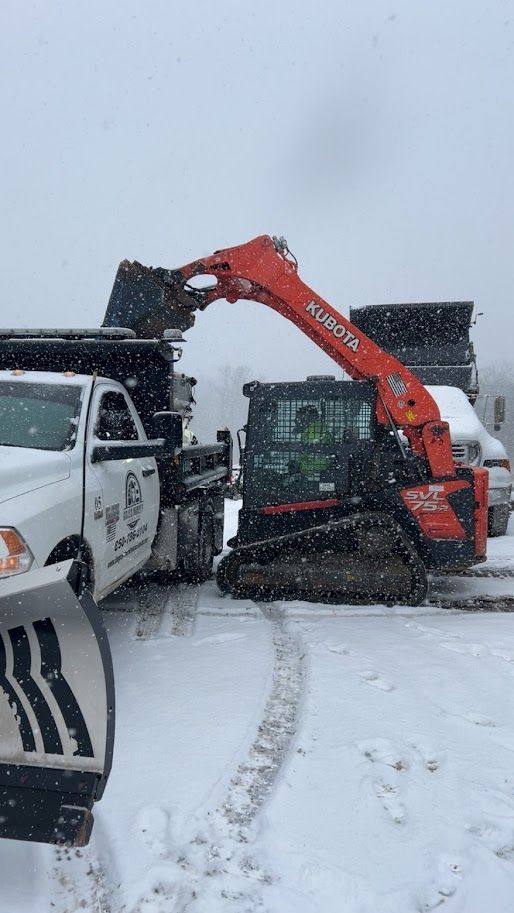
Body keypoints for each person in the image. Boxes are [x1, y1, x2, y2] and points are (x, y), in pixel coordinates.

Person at [294, 405, 333, 476]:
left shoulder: (314, 433)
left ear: (306, 418)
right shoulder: (313, 430)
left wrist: (301, 469)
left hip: (318, 476)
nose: (295, 420)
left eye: (298, 417)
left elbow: (320, 463)